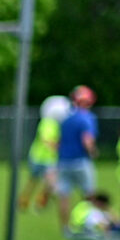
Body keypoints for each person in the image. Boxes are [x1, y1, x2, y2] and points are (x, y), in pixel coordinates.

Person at [52, 86, 99, 214]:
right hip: (81, 161)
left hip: (63, 161)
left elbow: (58, 141)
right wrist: (93, 152)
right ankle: (89, 222)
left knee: (64, 196)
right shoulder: (87, 118)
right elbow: (87, 140)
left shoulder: (65, 119)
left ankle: (66, 229)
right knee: (89, 194)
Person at [23, 95, 66, 213]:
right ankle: (24, 201)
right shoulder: (48, 123)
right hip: (39, 157)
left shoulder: (58, 124)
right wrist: (58, 147)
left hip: (50, 159)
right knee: (33, 181)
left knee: (49, 184)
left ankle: (40, 203)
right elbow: (46, 139)